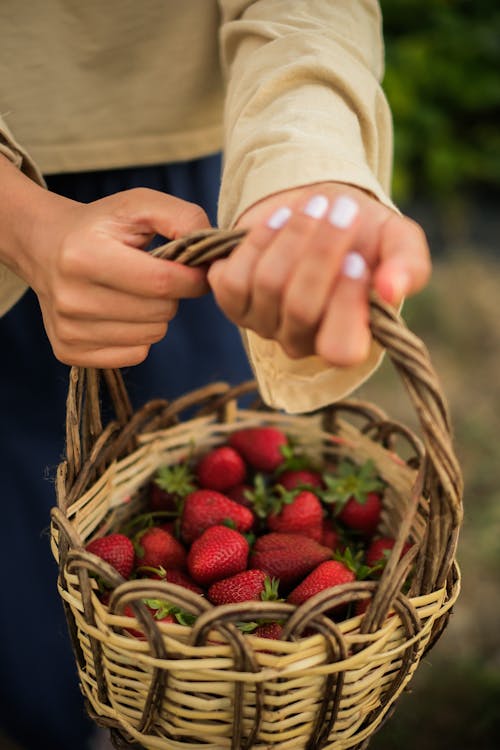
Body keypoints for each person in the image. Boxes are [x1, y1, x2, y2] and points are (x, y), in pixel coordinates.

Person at [0, 2, 430, 749]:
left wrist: (307, 166)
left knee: (197, 454)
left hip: (205, 167)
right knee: (29, 626)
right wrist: (23, 223)